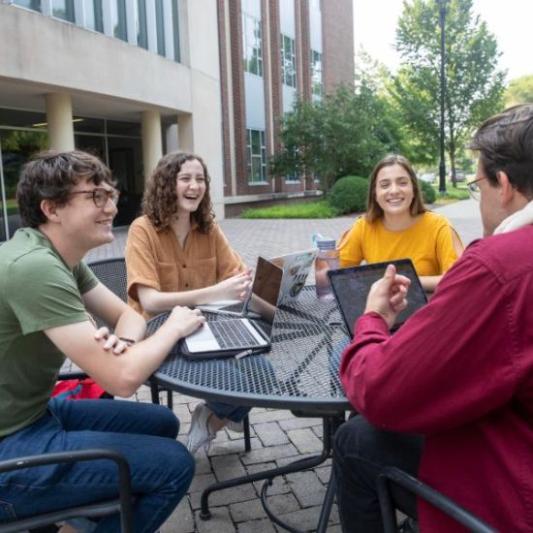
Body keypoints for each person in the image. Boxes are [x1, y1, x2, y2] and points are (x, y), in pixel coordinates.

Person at [334, 104, 533, 532]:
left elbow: (381, 390)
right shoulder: (363, 228)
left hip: (514, 494)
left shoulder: (496, 266)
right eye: (384, 184)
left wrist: (372, 318)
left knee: (357, 438)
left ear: (502, 185)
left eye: (475, 184)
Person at [0, 150, 205, 532]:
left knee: (161, 423)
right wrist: (173, 328)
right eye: (96, 196)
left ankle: (77, 520)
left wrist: (123, 346)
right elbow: (123, 381)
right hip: (9, 447)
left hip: (34, 416)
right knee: (174, 466)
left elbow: (128, 315)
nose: (111, 205)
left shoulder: (59, 256)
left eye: (110, 194)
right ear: (52, 208)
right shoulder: (34, 267)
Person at [125, 151, 252, 455]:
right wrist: (215, 292)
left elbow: (238, 276)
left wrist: (247, 283)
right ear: (166, 184)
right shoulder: (142, 229)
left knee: (264, 370)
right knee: (239, 381)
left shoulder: (208, 228)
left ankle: (211, 417)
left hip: (204, 329)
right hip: (158, 336)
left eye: (200, 179)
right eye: (185, 178)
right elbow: (151, 301)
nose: (194, 186)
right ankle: (226, 412)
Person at [338, 154, 464, 292]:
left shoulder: (439, 226)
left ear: (414, 189)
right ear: (375, 193)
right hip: (381, 310)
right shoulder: (363, 226)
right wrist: (323, 259)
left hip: (428, 310)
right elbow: (335, 274)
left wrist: (403, 281)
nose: (394, 191)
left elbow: (459, 278)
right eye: (385, 185)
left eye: (402, 183)